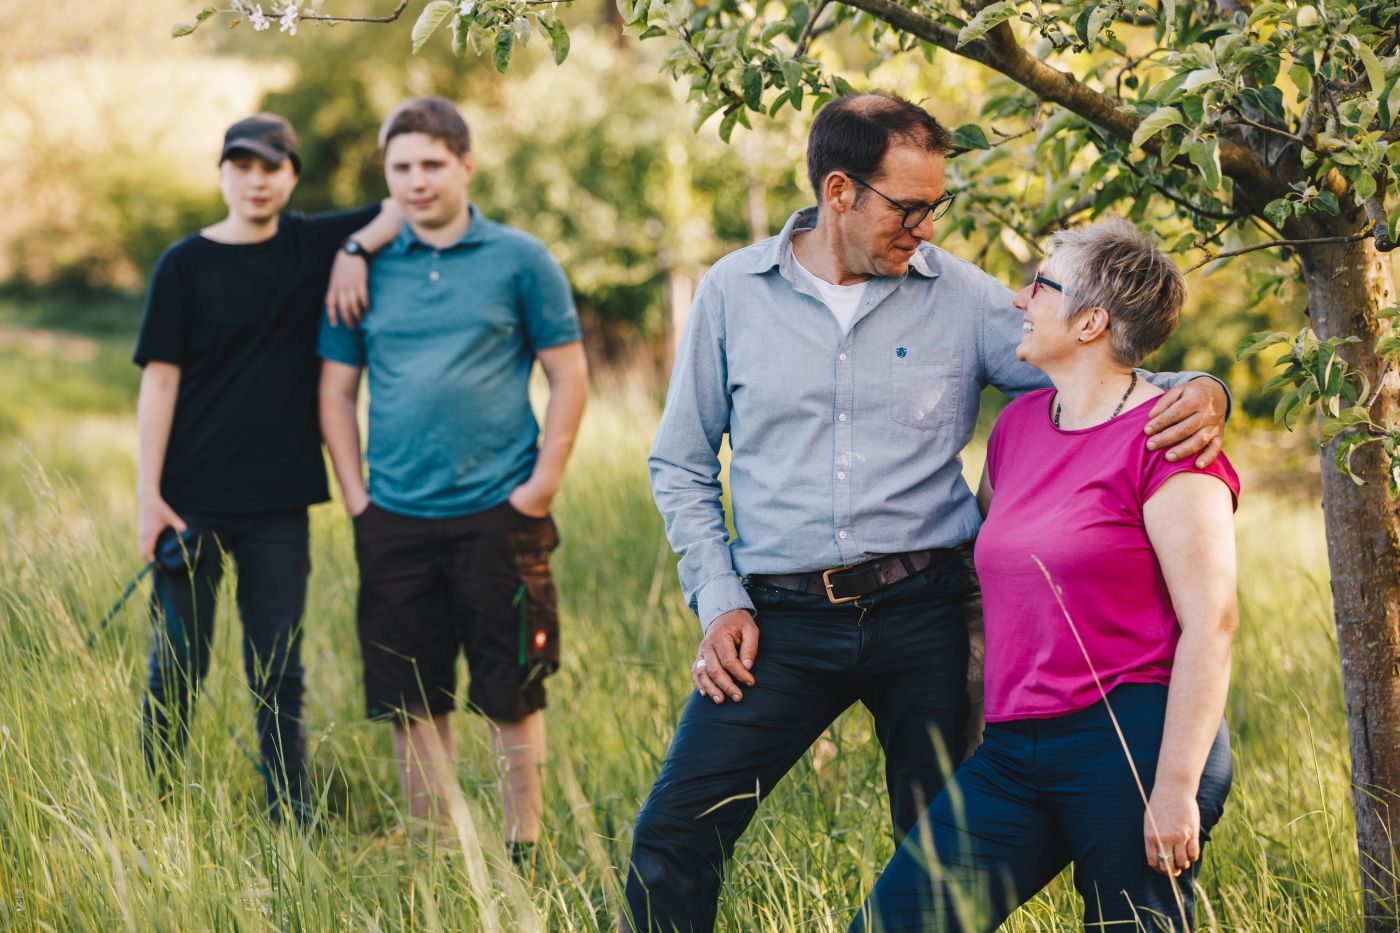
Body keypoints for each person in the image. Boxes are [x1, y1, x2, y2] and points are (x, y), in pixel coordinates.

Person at [622, 93, 1231, 932]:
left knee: (942, 847)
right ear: (840, 192)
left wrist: (1204, 389)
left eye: (936, 205)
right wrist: (718, 594)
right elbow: (681, 461)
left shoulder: (961, 298)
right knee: (675, 831)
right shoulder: (733, 293)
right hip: (780, 620)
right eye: (910, 207)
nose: (928, 227)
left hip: (929, 616)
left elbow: (1100, 364)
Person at [851, 218, 1239, 931]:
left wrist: (1176, 785)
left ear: (1092, 321)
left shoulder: (1170, 440)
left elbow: (1212, 621)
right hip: (1014, 746)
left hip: (1131, 738)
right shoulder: (1019, 427)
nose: (1019, 300)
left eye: (1040, 284)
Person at [317, 97, 588, 862]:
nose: (417, 181)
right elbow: (335, 391)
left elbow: (568, 375)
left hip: (500, 511)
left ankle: (521, 843)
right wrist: (357, 499)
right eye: (400, 167)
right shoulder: (363, 268)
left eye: (432, 164)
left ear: (466, 165)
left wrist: (539, 488)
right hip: (394, 515)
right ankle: (434, 846)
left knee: (513, 687)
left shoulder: (520, 259)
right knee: (412, 696)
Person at [134, 112, 400, 823]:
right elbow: (159, 382)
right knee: (179, 665)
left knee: (279, 667)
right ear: (222, 172)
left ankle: (291, 813)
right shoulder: (183, 264)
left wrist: (350, 248)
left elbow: (408, 202)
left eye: (271, 167)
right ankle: (155, 807)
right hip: (190, 498)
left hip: (280, 502)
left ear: (291, 177)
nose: (256, 180)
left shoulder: (310, 244)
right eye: (243, 165)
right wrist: (147, 496)